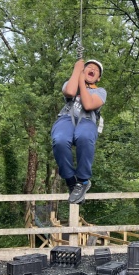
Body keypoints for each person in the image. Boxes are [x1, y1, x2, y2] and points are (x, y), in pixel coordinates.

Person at [51, 59, 106, 204]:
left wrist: (81, 81)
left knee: (84, 137)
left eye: (96, 70)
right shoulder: (72, 83)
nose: (92, 69)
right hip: (67, 117)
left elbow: (88, 105)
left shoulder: (100, 91)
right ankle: (71, 181)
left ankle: (82, 181)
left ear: (98, 78)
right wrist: (77, 69)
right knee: (60, 140)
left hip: (87, 120)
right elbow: (69, 91)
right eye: (89, 67)